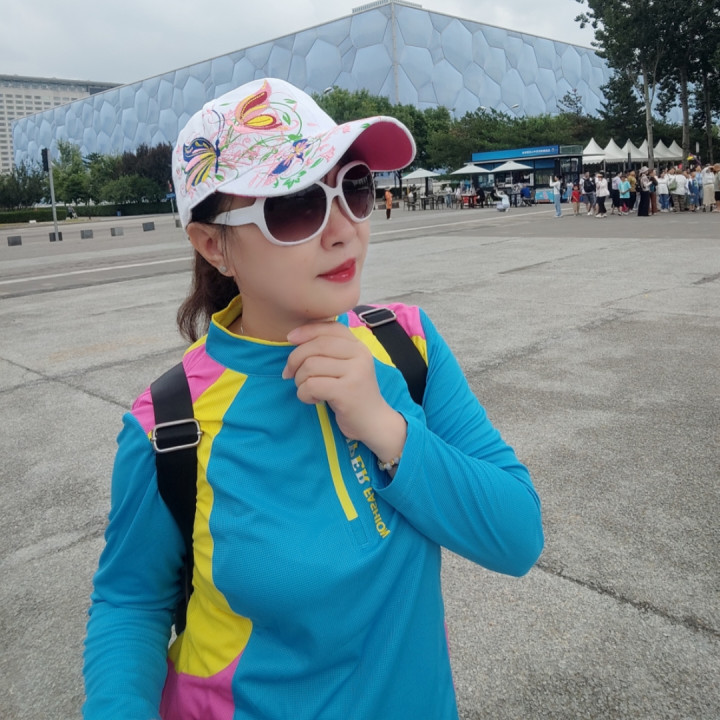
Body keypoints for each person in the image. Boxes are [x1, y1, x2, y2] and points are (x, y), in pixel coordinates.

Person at [82, 77, 544, 720]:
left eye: (353, 188)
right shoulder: (169, 422)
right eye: (295, 205)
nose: (344, 230)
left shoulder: (408, 346)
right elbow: (130, 603)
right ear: (214, 245)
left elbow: (517, 536)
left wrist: (387, 425)